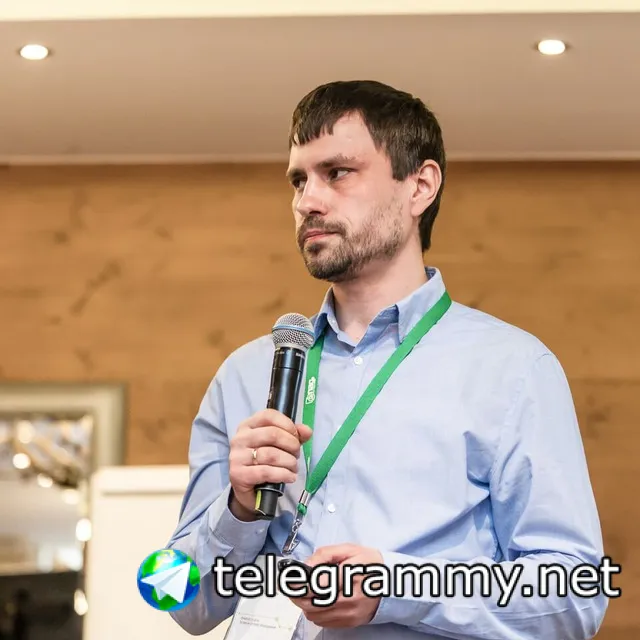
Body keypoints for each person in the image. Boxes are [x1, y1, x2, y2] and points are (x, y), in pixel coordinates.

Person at [167, 80, 608, 639]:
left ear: (420, 186)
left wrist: (398, 590)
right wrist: (238, 510)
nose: (307, 201)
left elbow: (574, 594)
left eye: (337, 173)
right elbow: (178, 597)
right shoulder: (244, 375)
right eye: (299, 180)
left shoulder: (514, 369)